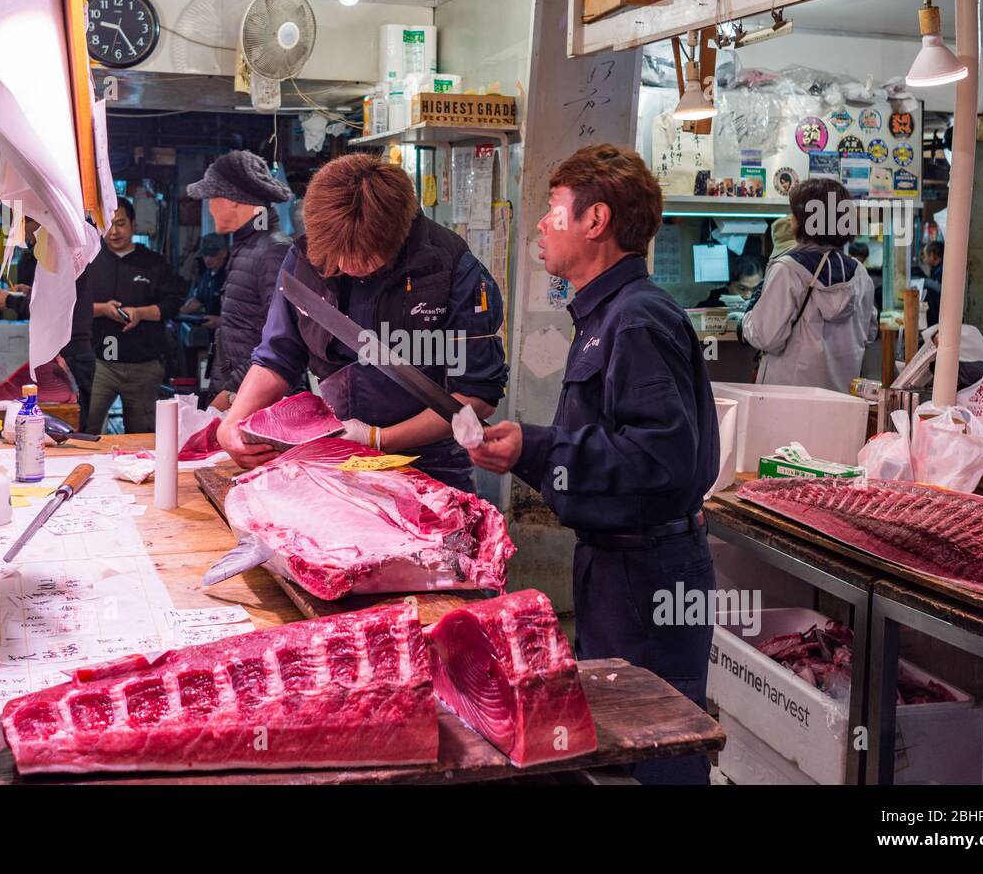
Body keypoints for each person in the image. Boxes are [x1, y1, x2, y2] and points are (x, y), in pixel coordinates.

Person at [466, 143, 718, 784]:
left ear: (595, 221)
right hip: (615, 563)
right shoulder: (605, 315)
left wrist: (538, 446)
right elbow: (612, 449)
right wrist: (529, 454)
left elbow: (659, 458)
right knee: (615, 743)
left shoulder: (636, 319)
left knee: (657, 744)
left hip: (651, 572)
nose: (543, 227)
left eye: (555, 211)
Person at [216, 153, 508, 491]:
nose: (345, 264)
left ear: (396, 237)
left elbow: (478, 395)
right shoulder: (306, 258)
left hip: (430, 467)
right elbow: (277, 358)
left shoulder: (453, 269)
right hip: (332, 457)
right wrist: (232, 423)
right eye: (334, 256)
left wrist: (380, 439)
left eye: (362, 256)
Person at [739, 178, 876, 392]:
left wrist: (745, 321)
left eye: (795, 214)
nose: (792, 220)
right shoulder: (860, 273)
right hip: (841, 399)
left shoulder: (788, 269)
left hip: (789, 402)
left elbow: (765, 337)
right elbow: (870, 332)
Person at [186, 151, 295, 411]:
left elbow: (281, 343)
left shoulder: (273, 250)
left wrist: (232, 396)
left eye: (212, 198)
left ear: (233, 200)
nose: (209, 207)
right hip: (237, 394)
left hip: (253, 401)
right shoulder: (247, 245)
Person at [83, 197, 184, 433]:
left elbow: (173, 305)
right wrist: (103, 309)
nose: (114, 232)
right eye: (107, 225)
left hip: (144, 366)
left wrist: (140, 313)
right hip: (99, 365)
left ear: (133, 225)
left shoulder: (154, 263)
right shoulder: (89, 261)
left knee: (141, 435)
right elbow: (72, 307)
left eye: (120, 224)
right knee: (85, 428)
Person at [0, 218, 98, 424]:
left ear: (37, 221)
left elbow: (50, 305)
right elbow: (57, 295)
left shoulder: (60, 250)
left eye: (23, 224)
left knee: (72, 426)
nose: (21, 234)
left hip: (70, 355)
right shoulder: (62, 249)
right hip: (67, 353)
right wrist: (29, 293)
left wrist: (10, 300)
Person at [179, 232, 229, 381]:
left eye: (212, 255)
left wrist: (220, 320)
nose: (207, 259)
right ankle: (205, 396)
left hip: (228, 336)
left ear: (224, 252)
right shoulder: (208, 274)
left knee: (224, 374)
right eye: (205, 255)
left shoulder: (229, 274)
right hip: (211, 335)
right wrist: (179, 311)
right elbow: (198, 299)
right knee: (209, 372)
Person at [694, 256, 763, 308]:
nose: (748, 296)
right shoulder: (708, 307)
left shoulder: (765, 307)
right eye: (742, 289)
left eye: (755, 289)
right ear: (727, 284)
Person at [921, 239, 944, 325]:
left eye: (925, 256)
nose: (924, 259)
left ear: (933, 255)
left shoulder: (941, 272)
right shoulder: (936, 271)